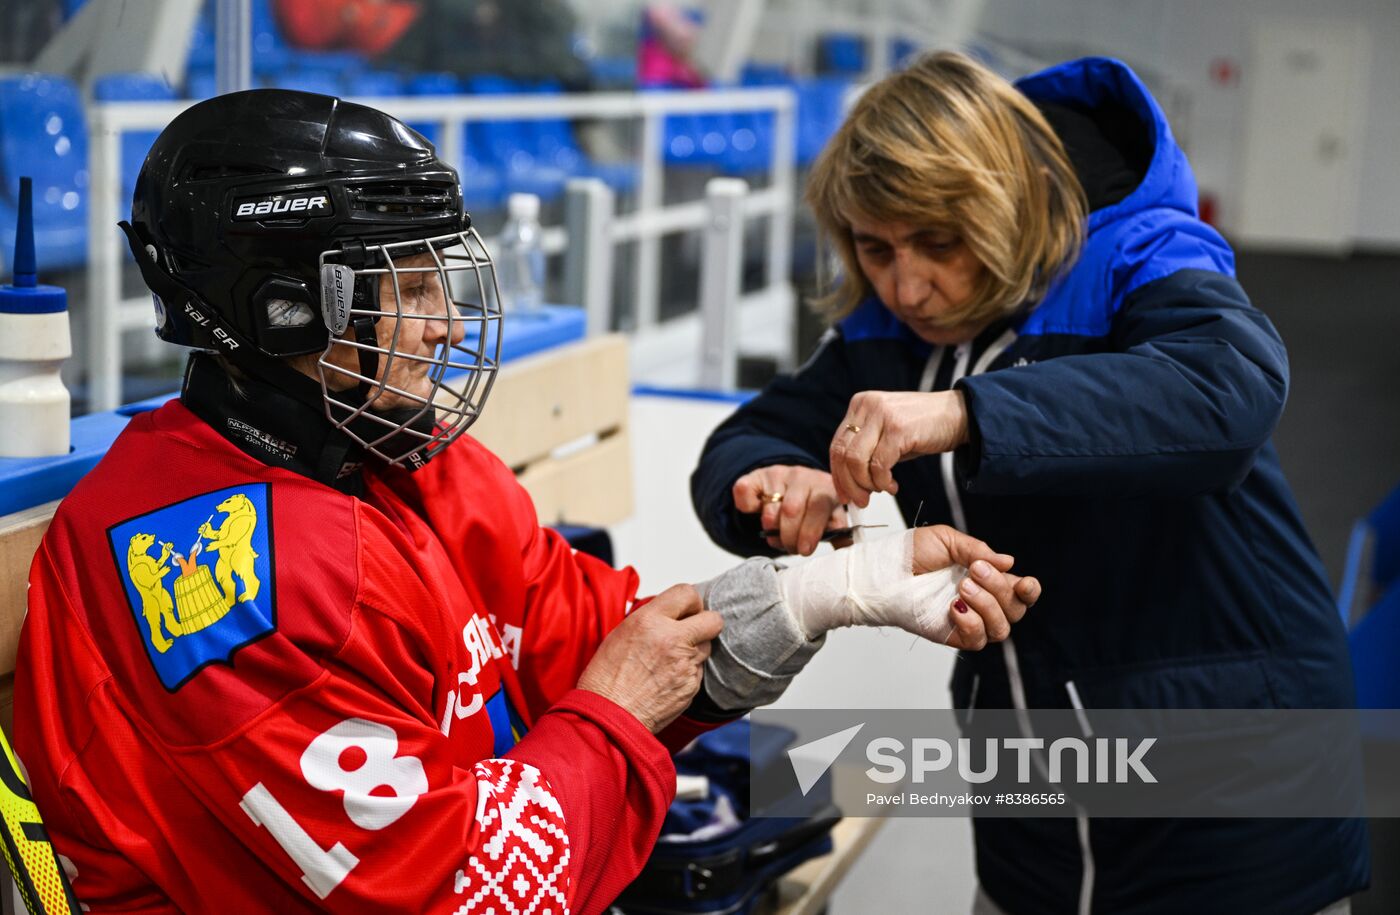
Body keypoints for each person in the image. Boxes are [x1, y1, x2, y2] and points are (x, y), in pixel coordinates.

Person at [12, 89, 1039, 913]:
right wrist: (610, 709)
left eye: (436, 283)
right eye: (400, 289)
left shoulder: (405, 458)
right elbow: (464, 891)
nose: (438, 328)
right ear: (275, 308)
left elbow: (602, 635)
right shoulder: (212, 578)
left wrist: (833, 589)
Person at [691, 53, 1368, 914]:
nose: (907, 284)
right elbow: (745, 440)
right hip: (1032, 808)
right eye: (876, 248)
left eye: (941, 242)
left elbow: (1226, 387)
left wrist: (961, 412)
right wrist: (774, 480)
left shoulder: (1142, 254)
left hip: (1234, 804)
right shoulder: (888, 323)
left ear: (1005, 204)